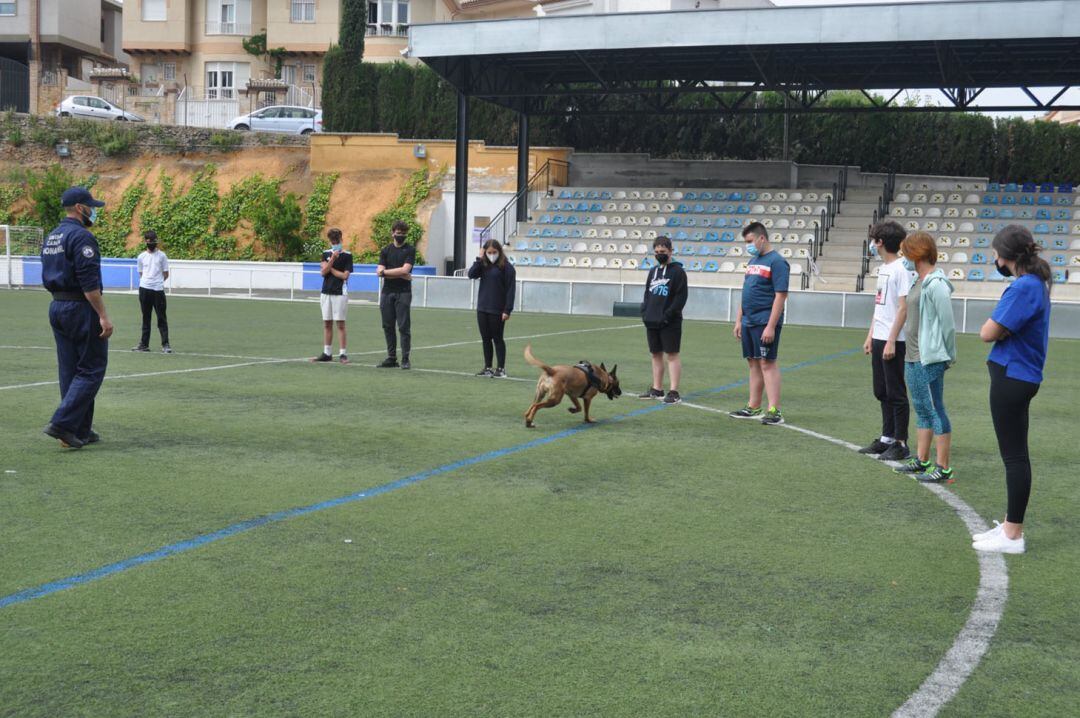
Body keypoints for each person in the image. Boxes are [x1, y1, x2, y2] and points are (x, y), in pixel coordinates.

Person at [972, 225, 1052, 554]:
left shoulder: (1024, 287)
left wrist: (998, 331)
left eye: (995, 253)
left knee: (1015, 456)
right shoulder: (1034, 284)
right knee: (1015, 454)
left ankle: (1013, 534)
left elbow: (988, 332)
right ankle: (1009, 526)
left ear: (1005, 256)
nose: (993, 258)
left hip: (1013, 376)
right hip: (1018, 375)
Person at [39, 186, 114, 449]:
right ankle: (63, 424)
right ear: (81, 208)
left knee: (70, 370)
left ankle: (78, 429)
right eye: (91, 206)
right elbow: (89, 283)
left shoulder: (52, 237)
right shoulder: (82, 238)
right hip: (80, 307)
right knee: (92, 368)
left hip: (57, 306)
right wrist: (103, 315)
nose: (94, 211)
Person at [892, 232, 957, 483]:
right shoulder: (917, 282)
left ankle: (943, 467)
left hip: (927, 358)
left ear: (916, 253)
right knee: (921, 408)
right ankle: (922, 460)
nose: (903, 258)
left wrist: (948, 355)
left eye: (905, 252)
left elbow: (947, 324)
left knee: (935, 409)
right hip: (912, 356)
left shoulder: (936, 283)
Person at [859, 221, 914, 460]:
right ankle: (886, 437)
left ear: (880, 242)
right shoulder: (884, 268)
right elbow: (880, 305)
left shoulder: (902, 269)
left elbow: (903, 308)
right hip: (880, 336)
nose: (872, 244)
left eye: (873, 240)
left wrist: (891, 340)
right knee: (881, 390)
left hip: (895, 339)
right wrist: (871, 335)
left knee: (896, 392)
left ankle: (901, 443)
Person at [729, 221, 789, 425]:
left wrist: (771, 325)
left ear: (761, 238)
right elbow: (746, 292)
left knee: (767, 363)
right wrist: (739, 320)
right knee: (753, 362)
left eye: (750, 241)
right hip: (749, 321)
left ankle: (775, 410)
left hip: (765, 321)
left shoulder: (777, 262)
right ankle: (754, 406)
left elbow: (781, 296)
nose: (748, 245)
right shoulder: (754, 261)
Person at [638, 236, 688, 404]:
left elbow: (681, 298)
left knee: (672, 355)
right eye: (657, 252)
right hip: (652, 321)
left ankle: (674, 391)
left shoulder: (678, 272)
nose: (660, 255)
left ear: (671, 251)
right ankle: (657, 389)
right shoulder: (653, 271)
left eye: (663, 252)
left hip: (670, 321)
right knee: (655, 354)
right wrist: (644, 312)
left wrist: (667, 316)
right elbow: (647, 293)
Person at [467, 238, 516, 378]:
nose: (492, 254)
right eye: (489, 252)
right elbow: (471, 275)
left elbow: (510, 290)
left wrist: (507, 310)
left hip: (498, 310)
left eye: (494, 252)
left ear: (499, 251)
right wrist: (479, 258)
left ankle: (501, 369)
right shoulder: (482, 265)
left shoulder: (507, 267)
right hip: (483, 308)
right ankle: (488, 367)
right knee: (485, 339)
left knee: (498, 339)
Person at [376, 220, 415, 370]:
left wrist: (385, 273)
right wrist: (398, 273)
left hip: (403, 293)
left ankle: (405, 359)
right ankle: (392, 358)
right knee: (387, 326)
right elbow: (379, 271)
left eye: (403, 233)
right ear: (392, 233)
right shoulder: (385, 250)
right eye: (398, 233)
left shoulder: (410, 250)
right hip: (387, 293)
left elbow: (405, 270)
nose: (401, 235)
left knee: (404, 326)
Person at [312, 228, 353, 364]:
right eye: (333, 241)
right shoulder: (325, 254)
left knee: (340, 324)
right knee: (327, 323)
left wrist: (330, 267)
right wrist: (331, 261)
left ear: (341, 239)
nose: (335, 243)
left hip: (340, 293)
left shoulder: (347, 255)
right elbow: (323, 273)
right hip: (326, 292)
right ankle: (327, 353)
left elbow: (345, 276)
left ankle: (342, 354)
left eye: (337, 240)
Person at [133, 230, 171, 354]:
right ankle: (144, 344)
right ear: (145, 242)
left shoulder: (162, 256)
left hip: (158, 290)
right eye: (149, 242)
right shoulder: (141, 257)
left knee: (161, 318)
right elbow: (141, 273)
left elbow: (166, 274)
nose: (152, 244)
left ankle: (165, 344)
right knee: (146, 317)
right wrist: (147, 281)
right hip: (144, 289)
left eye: (154, 241)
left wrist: (157, 281)